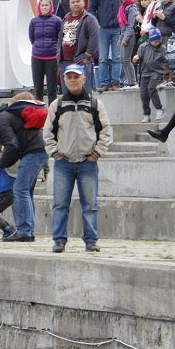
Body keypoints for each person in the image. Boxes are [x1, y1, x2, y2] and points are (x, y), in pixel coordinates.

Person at [44, 63, 113, 253]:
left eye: (76, 77)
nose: (73, 80)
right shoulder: (56, 105)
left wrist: (97, 153)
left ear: (84, 79)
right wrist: (55, 153)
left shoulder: (95, 104)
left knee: (90, 205)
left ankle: (91, 241)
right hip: (63, 163)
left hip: (87, 163)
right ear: (64, 80)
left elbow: (106, 131)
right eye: (69, 77)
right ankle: (59, 241)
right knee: (60, 205)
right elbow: (48, 133)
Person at [0, 92, 48, 242]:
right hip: (38, 153)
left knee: (20, 189)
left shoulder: (3, 118)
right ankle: (28, 231)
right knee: (26, 192)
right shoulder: (14, 116)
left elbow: (11, 145)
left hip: (33, 154)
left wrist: (0, 164)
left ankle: (24, 231)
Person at [87, 0, 122, 91]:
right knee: (103, 57)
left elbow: (127, 5)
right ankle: (103, 83)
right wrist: (98, 22)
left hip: (118, 28)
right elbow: (91, 9)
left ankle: (116, 82)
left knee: (117, 57)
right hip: (103, 29)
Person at [58, 0, 100, 93]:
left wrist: (87, 57)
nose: (76, 4)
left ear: (83, 3)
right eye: (73, 2)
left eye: (78, 1)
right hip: (65, 61)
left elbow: (94, 39)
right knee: (66, 92)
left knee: (84, 90)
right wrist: (58, 55)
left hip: (81, 60)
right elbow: (60, 38)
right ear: (69, 5)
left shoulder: (89, 18)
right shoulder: (65, 18)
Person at [29, 0, 62, 103]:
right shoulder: (34, 21)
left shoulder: (57, 21)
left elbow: (60, 38)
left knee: (52, 89)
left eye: (46, 5)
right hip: (36, 57)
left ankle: (53, 113)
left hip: (52, 58)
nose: (44, 7)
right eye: (42, 5)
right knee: (38, 90)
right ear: (39, 7)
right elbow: (32, 38)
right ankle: (39, 112)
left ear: (51, 6)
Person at [132, 28, 167, 123]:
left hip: (157, 72)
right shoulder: (143, 47)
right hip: (145, 72)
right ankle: (146, 114)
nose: (157, 43)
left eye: (158, 41)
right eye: (155, 41)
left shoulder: (162, 48)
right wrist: (135, 58)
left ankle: (160, 109)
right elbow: (138, 57)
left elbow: (167, 61)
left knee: (151, 88)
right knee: (143, 94)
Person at [117, 0, 139, 88]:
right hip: (124, 35)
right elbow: (122, 25)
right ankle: (128, 80)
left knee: (126, 59)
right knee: (122, 60)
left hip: (130, 36)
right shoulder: (123, 7)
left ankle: (133, 81)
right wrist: (120, 38)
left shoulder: (131, 8)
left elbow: (130, 25)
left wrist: (125, 39)